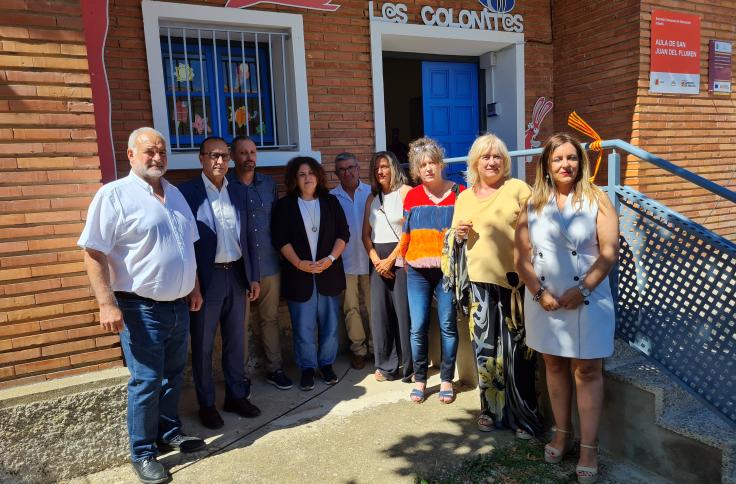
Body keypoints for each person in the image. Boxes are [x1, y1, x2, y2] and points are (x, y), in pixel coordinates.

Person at [78, 127, 205, 484]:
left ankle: (169, 431)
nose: (157, 157)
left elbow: (188, 247)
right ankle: (143, 452)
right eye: (149, 151)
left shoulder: (176, 194)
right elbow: (93, 252)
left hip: (179, 305)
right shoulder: (114, 195)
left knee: (174, 374)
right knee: (146, 381)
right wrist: (106, 303)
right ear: (131, 154)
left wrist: (193, 287)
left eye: (162, 151)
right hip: (139, 308)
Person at [515, 133, 618, 484]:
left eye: (571, 158)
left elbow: (608, 253)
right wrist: (538, 291)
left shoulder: (597, 198)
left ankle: (589, 446)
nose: (565, 165)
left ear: (580, 162)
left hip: (588, 296)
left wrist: (584, 288)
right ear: (546, 164)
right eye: (557, 159)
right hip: (545, 299)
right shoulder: (532, 203)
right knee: (554, 364)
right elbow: (521, 258)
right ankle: (562, 432)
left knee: (587, 370)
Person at [451, 134, 544, 439]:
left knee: (520, 354)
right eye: (485, 157)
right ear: (475, 162)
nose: (492, 162)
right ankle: (490, 410)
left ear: (505, 161)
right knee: (485, 353)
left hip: (515, 286)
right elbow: (455, 239)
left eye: (498, 157)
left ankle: (525, 418)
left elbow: (540, 228)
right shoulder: (463, 196)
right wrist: (459, 236)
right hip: (480, 286)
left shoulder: (517, 189)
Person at [179, 136, 262, 430]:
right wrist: (194, 286)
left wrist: (253, 276)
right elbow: (184, 244)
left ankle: (236, 397)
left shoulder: (238, 191)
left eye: (224, 156)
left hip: (236, 275)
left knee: (235, 343)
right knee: (202, 345)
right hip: (207, 280)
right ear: (201, 158)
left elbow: (249, 238)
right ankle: (206, 404)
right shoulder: (187, 193)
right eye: (213, 155)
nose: (219, 161)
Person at [271, 157, 350, 391]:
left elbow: (343, 234)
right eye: (302, 174)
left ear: (318, 176)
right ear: (295, 179)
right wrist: (298, 263)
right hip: (299, 276)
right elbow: (280, 239)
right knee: (302, 326)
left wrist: (330, 259)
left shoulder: (331, 202)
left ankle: (326, 365)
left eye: (311, 173)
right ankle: (307, 368)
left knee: (330, 324)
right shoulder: (284, 206)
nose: (307, 178)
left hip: (329, 274)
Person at [399, 137, 465, 404]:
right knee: (418, 327)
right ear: (416, 169)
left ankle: (447, 379)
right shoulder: (412, 196)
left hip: (447, 271)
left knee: (448, 325)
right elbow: (406, 233)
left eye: (432, 163)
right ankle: (420, 379)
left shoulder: (459, 192)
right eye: (422, 164)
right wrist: (403, 259)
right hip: (417, 271)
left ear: (441, 164)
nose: (428, 168)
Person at [228, 136, 293, 391]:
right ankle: (240, 375)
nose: (249, 157)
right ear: (233, 156)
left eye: (253, 152)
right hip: (238, 267)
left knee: (270, 319)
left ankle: (274, 369)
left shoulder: (268, 184)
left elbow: (276, 222)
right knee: (239, 323)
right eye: (243, 153)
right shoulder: (225, 185)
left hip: (268, 263)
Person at [361, 150, 413, 382]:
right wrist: (375, 259)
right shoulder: (372, 199)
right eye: (376, 168)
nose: (380, 172)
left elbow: (409, 232)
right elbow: (365, 234)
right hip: (377, 259)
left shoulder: (406, 193)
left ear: (394, 168)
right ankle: (386, 365)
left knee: (403, 312)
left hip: (400, 257)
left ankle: (409, 366)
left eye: (384, 166)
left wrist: (391, 260)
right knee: (380, 314)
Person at [330, 152, 372, 370]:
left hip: (372, 260)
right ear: (337, 173)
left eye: (351, 167)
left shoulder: (371, 193)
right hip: (345, 263)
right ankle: (359, 350)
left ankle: (378, 347)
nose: (347, 172)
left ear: (358, 167)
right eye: (342, 169)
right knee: (351, 308)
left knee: (375, 307)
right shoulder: (331, 197)